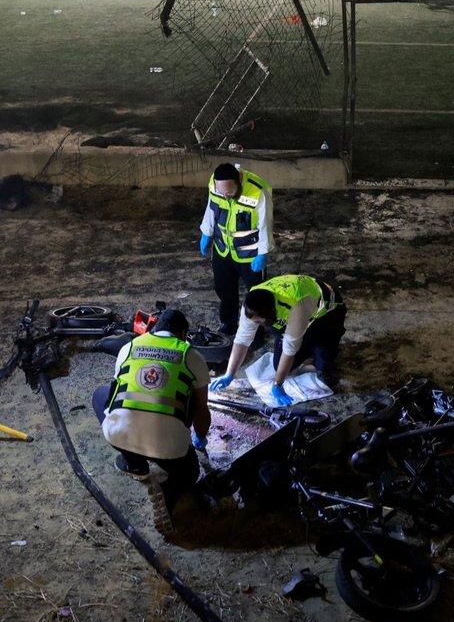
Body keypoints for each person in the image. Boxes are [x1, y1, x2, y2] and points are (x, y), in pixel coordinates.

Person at [92, 308, 211, 530]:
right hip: (170, 448)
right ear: (183, 333)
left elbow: (119, 390)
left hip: (120, 435)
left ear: (155, 329)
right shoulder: (191, 355)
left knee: (102, 395)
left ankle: (135, 464)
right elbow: (202, 411)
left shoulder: (129, 347)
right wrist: (201, 437)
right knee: (190, 473)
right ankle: (169, 492)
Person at [210, 274, 347, 405]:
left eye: (258, 323)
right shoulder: (251, 304)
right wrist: (229, 373)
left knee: (322, 364)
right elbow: (242, 340)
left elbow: (289, 351)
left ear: (271, 316)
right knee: (278, 366)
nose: (255, 326)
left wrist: (278, 385)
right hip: (300, 311)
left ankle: (321, 351)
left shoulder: (296, 308)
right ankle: (307, 344)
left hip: (328, 312)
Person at [199, 162, 274, 336]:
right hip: (222, 248)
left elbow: (265, 224)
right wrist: (206, 233)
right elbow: (211, 208)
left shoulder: (258, 191)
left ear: (239, 181)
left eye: (230, 192)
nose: (225, 196)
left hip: (249, 254)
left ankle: (259, 329)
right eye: (222, 192)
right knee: (224, 290)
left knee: (257, 295)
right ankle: (229, 323)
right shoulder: (215, 183)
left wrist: (263, 252)